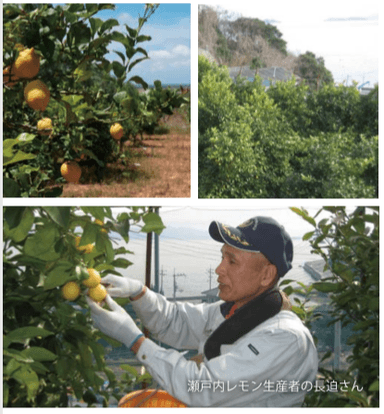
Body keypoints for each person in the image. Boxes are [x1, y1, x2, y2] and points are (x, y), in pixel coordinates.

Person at [86, 216, 318, 407]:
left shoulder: (285, 338)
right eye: (222, 257)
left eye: (232, 261)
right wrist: (138, 292)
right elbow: (174, 322)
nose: (219, 269)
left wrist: (134, 340)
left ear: (266, 275)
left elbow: (202, 386)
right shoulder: (234, 312)